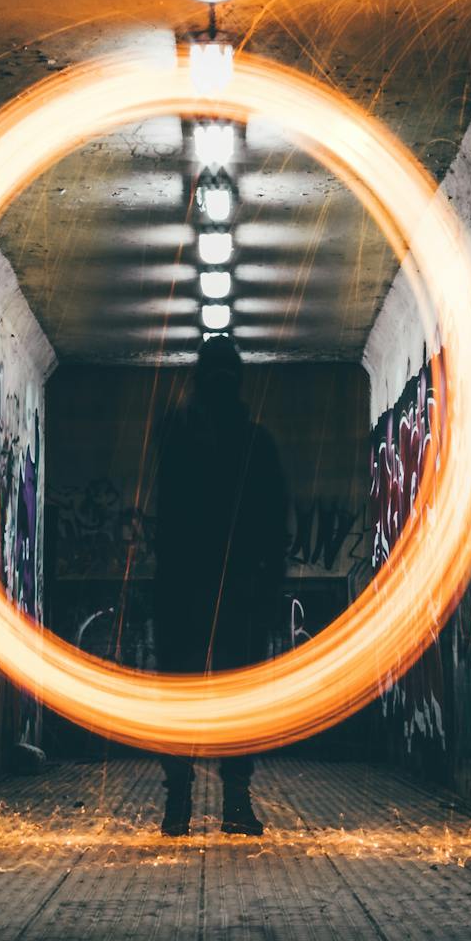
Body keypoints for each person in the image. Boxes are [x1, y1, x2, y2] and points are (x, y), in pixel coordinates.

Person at [154, 335, 288, 837]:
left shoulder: (177, 435)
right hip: (235, 593)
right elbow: (275, 526)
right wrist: (270, 586)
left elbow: (164, 517)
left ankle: (182, 803)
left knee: (184, 701)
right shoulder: (256, 443)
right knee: (237, 700)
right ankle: (232, 802)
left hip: (188, 593)